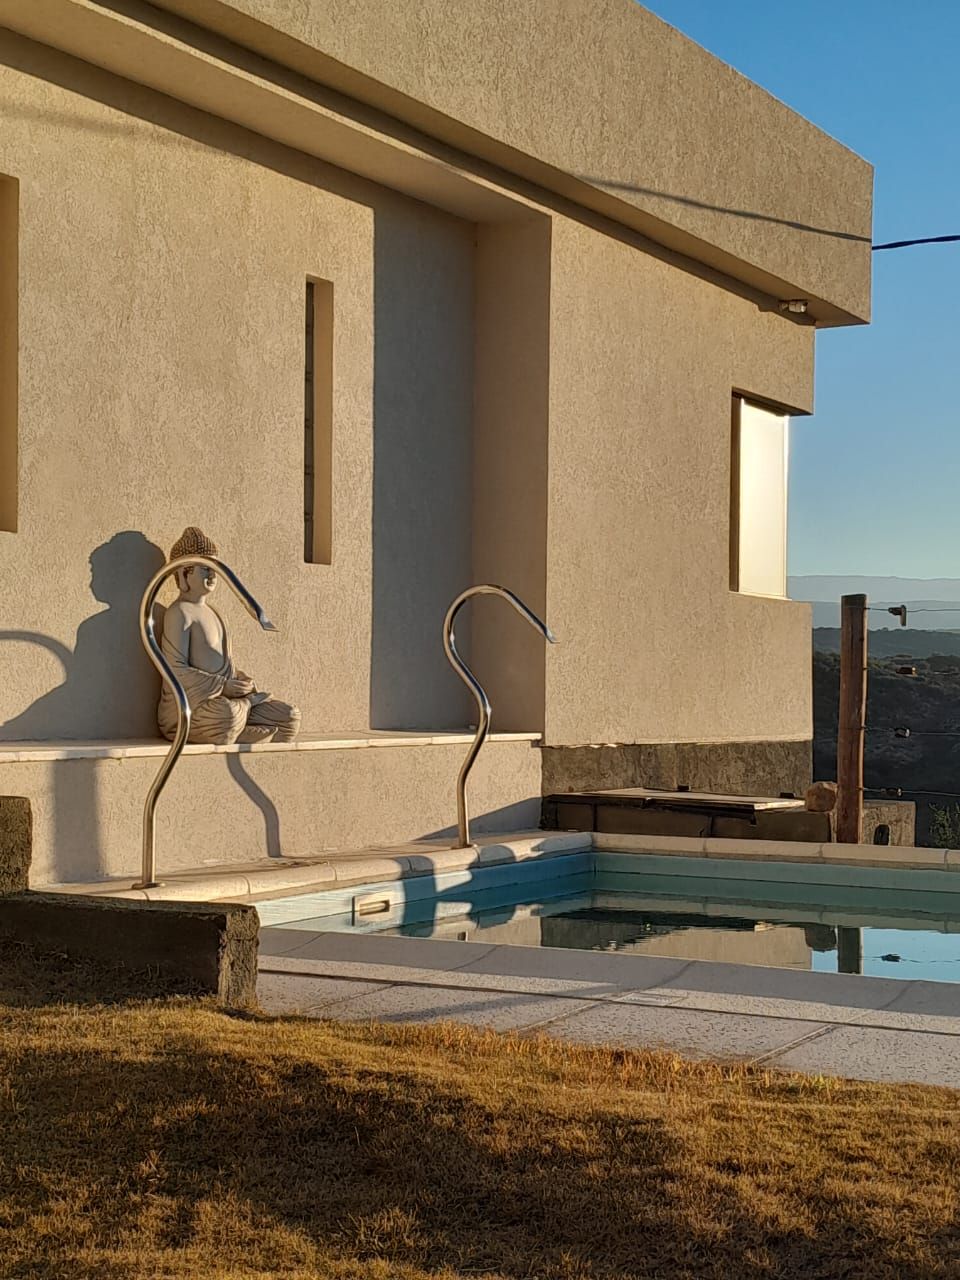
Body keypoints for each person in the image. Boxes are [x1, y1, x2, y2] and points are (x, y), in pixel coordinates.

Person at [157, 527, 300, 745]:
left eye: (215, 569)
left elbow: (226, 666)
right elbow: (174, 670)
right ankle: (239, 724)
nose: (213, 575)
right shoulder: (179, 613)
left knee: (289, 716)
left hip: (228, 699)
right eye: (206, 568)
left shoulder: (215, 612)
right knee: (227, 715)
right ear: (184, 573)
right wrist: (222, 686)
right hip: (193, 707)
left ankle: (240, 725)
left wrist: (241, 681)